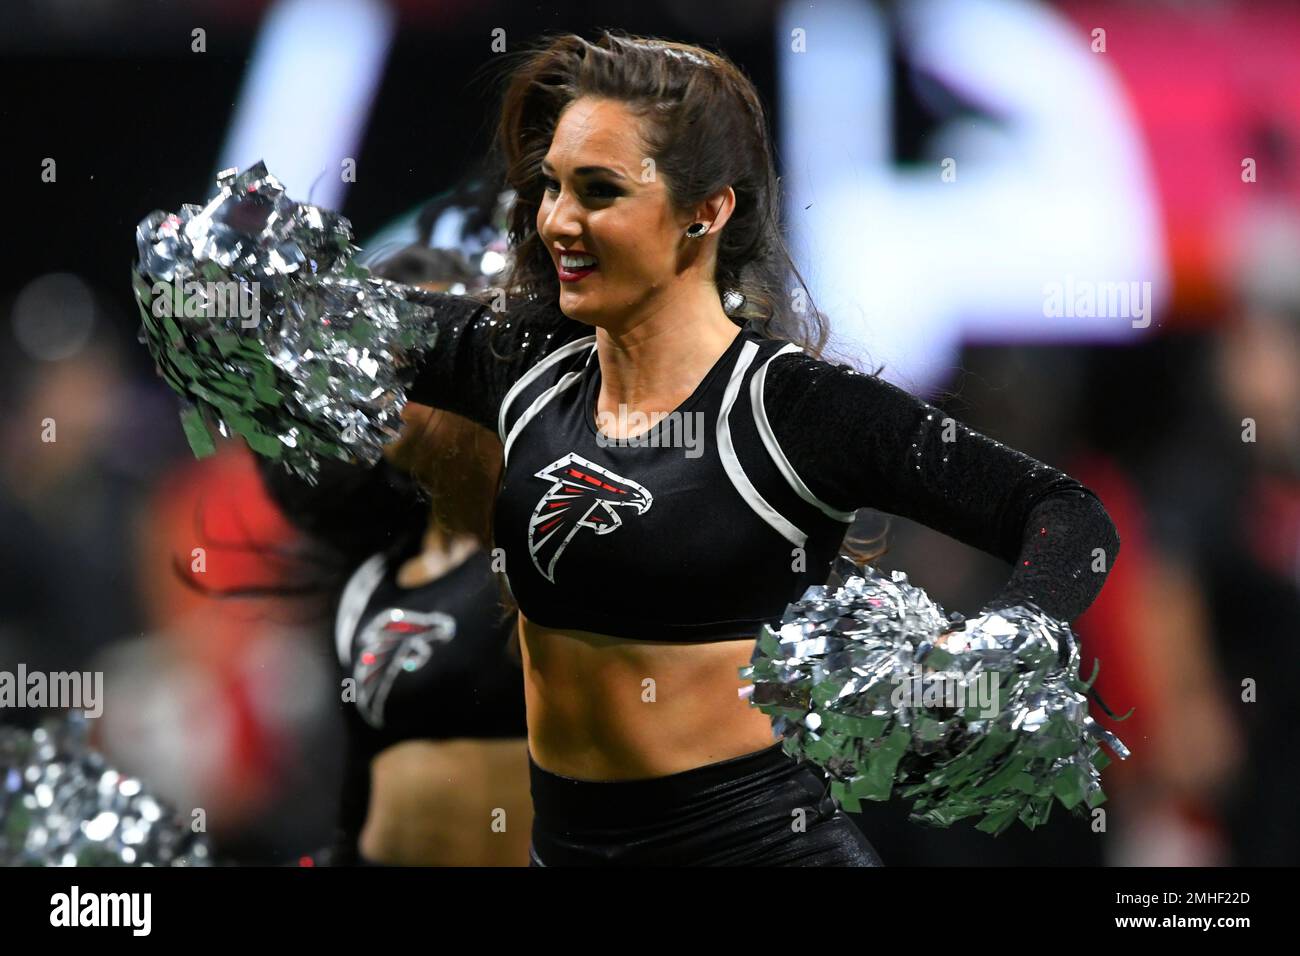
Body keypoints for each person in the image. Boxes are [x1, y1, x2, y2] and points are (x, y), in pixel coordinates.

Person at [321, 32, 1120, 865]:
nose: (557, 219)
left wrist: (994, 641)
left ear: (706, 211)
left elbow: (1068, 514)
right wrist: (203, 274)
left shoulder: (795, 409)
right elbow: (328, 316)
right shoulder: (518, 363)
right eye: (553, 185)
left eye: (599, 191)